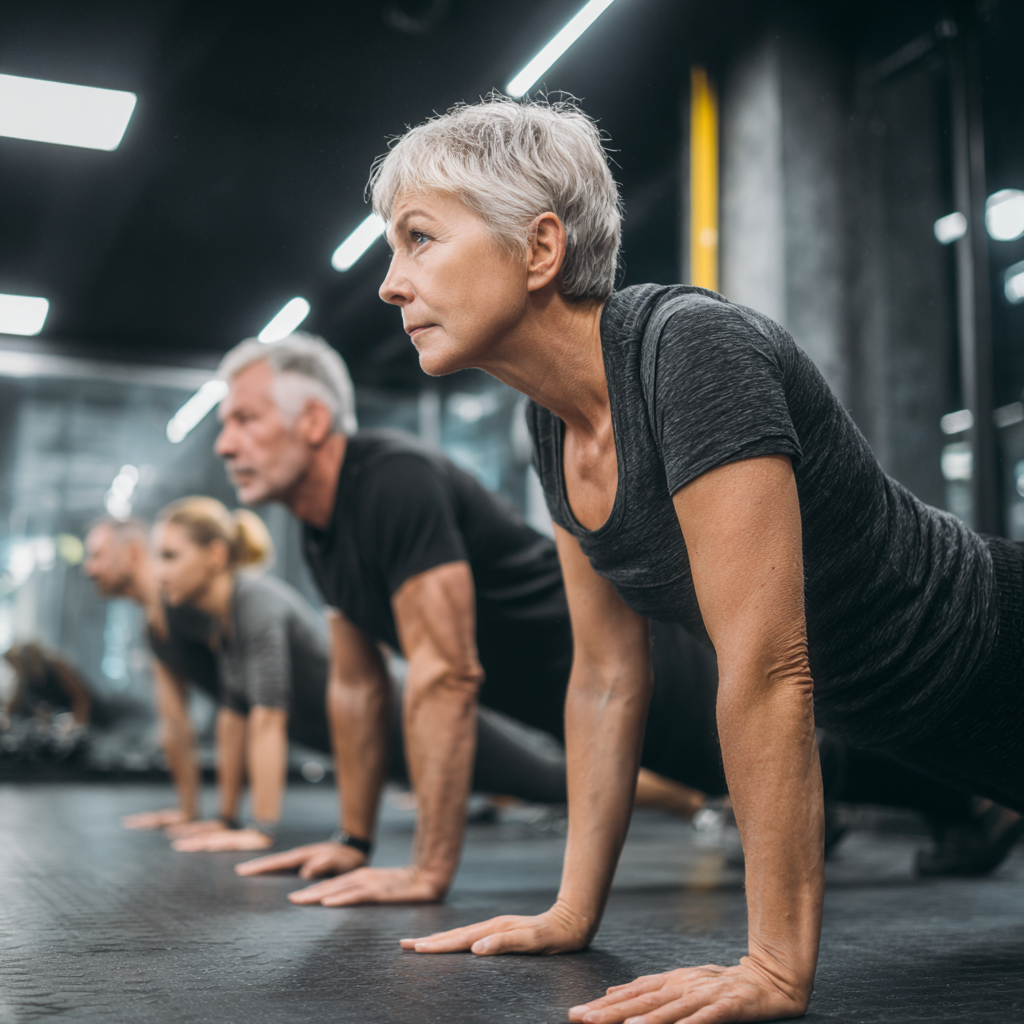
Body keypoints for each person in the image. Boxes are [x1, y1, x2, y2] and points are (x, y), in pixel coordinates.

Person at [363, 96, 1024, 1023]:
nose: (392, 284)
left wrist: (774, 968)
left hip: (998, 648)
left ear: (541, 249)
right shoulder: (549, 427)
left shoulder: (688, 351)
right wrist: (570, 911)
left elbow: (768, 665)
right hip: (950, 739)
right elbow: (603, 678)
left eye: (419, 239)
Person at [213, 334, 1007, 905]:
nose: (226, 443)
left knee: (803, 753)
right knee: (744, 773)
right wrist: (353, 843)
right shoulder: (322, 531)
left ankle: (973, 806)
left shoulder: (391, 481)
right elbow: (356, 689)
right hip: (564, 691)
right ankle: (930, 808)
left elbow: (447, 671)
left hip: (635, 659)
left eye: (244, 419)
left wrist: (428, 872)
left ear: (314, 422)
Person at [151, 494, 634, 855]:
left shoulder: (256, 602)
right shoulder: (219, 622)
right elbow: (236, 717)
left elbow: (268, 718)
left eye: (170, 556)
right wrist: (225, 820)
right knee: (541, 780)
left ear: (216, 555)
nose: (159, 572)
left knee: (558, 778)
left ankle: (692, 796)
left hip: (413, 715)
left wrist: (261, 829)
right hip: (389, 749)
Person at [84, 517, 219, 829]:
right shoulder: (154, 628)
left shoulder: (188, 604)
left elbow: (244, 701)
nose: (88, 569)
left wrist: (230, 821)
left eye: (97, 556)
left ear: (131, 554)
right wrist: (188, 812)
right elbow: (174, 722)